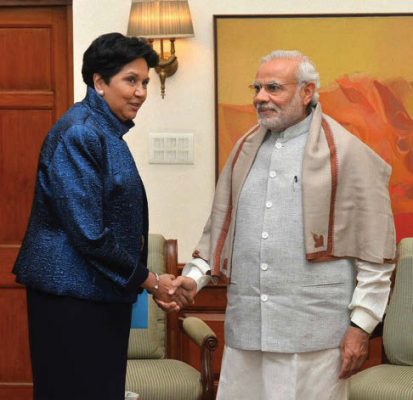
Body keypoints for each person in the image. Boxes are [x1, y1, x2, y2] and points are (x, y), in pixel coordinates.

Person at [160, 50, 397, 400]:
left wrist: (361, 327)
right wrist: (193, 279)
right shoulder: (243, 150)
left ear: (306, 92)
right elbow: (219, 233)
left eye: (273, 88)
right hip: (247, 334)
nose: (260, 97)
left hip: (315, 338)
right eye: (257, 87)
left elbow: (375, 255)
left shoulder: (348, 154)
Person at [13, 32, 179, 400]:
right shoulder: (80, 132)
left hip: (96, 295)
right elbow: (89, 232)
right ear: (99, 82)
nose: (140, 92)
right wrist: (149, 279)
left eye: (145, 82)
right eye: (130, 80)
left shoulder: (103, 131)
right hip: (72, 298)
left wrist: (140, 279)